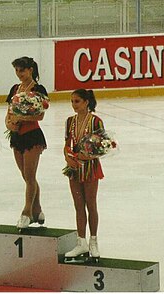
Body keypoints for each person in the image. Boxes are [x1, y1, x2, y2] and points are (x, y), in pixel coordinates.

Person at [5, 56, 48, 229]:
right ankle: (37, 209)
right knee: (26, 176)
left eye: (22, 70)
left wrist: (22, 117)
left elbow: (40, 115)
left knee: (30, 176)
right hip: (16, 136)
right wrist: (9, 124)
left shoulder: (38, 89)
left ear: (30, 70)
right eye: (16, 70)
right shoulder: (15, 89)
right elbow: (8, 112)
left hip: (32, 136)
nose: (19, 74)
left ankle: (26, 212)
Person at [63, 89, 104, 262]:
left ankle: (93, 241)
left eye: (77, 101)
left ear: (87, 102)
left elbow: (103, 146)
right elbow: (66, 143)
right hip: (74, 168)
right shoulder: (69, 121)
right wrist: (67, 156)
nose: (74, 105)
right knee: (78, 205)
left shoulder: (96, 121)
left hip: (90, 167)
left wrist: (87, 156)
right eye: (72, 101)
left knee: (91, 205)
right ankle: (81, 242)